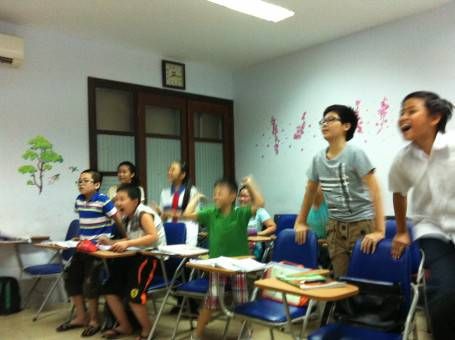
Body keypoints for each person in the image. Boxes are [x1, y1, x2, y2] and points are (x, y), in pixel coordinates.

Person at [388, 91, 454, 340]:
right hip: (432, 230)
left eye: (411, 110)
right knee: (445, 293)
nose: (403, 117)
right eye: (401, 112)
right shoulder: (403, 160)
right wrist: (403, 231)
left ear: (435, 116)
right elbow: (399, 193)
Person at [294, 104, 385, 278]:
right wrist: (300, 222)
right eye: (323, 121)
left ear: (346, 126)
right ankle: (342, 306)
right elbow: (310, 191)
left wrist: (379, 231)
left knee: (362, 279)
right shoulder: (318, 158)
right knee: (341, 278)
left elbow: (376, 191)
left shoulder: (356, 154)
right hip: (335, 227)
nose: (324, 124)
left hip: (362, 224)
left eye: (331, 119)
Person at [180, 176, 264, 340]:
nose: (215, 196)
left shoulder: (240, 213)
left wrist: (250, 184)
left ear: (233, 196)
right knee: (211, 299)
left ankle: (246, 331)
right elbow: (186, 215)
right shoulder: (211, 213)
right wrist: (196, 198)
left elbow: (260, 203)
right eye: (214, 193)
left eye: (220, 193)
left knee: (241, 300)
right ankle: (198, 333)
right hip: (217, 265)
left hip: (238, 265)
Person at [56, 169, 124, 337]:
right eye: (79, 181)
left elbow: (118, 219)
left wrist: (124, 237)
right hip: (82, 246)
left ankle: (94, 320)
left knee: (90, 283)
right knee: (70, 279)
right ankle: (81, 317)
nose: (81, 183)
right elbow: (86, 222)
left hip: (97, 250)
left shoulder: (103, 200)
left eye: (85, 180)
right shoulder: (79, 200)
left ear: (97, 184)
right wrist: (81, 236)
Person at [99, 184, 166, 340]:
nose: (118, 203)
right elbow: (132, 238)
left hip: (150, 257)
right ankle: (125, 326)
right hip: (133, 255)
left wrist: (127, 244)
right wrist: (111, 242)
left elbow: (152, 237)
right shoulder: (127, 217)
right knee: (109, 290)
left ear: (135, 201)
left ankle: (147, 330)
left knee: (133, 295)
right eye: (116, 200)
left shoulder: (143, 213)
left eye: (122, 199)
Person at [157, 160, 199, 246]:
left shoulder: (192, 191)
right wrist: (159, 214)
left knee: (184, 258)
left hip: (187, 232)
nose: (169, 172)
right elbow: (163, 217)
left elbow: (196, 216)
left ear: (182, 175)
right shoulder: (164, 192)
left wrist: (174, 213)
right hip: (168, 231)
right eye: (169, 169)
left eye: (173, 170)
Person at [238, 185, 276, 259]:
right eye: (240, 196)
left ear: (252, 198)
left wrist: (258, 233)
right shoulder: (236, 211)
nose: (242, 199)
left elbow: (273, 227)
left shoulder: (260, 211)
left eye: (245, 196)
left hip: (253, 248)